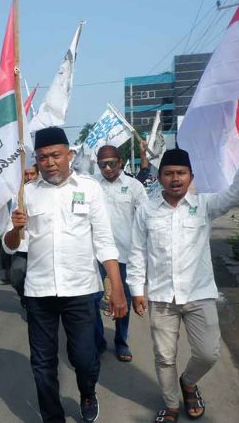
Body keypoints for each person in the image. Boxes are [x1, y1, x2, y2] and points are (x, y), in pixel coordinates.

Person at [128, 131, 239, 423]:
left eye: (181, 173)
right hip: (162, 297)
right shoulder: (147, 210)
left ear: (190, 176)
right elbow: (136, 251)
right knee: (164, 357)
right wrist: (137, 290)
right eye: (169, 173)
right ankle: (172, 404)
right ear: (160, 177)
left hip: (199, 294)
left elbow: (235, 193)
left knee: (209, 353)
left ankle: (188, 381)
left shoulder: (204, 206)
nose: (176, 178)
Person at [4, 127, 127, 423]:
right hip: (39, 292)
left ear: (69, 155)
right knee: (43, 364)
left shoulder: (89, 189)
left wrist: (118, 287)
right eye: (43, 157)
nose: (50, 162)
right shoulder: (25, 195)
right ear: (36, 159)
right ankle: (52, 416)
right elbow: (11, 247)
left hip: (81, 289)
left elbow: (104, 240)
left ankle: (87, 391)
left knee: (84, 358)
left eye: (56, 155)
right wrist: (16, 228)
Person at [93, 145, 148, 362]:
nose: (107, 168)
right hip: (95, 253)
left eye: (111, 163)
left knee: (122, 299)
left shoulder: (134, 187)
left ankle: (121, 341)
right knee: (92, 298)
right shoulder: (92, 186)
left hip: (124, 254)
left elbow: (145, 217)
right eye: (102, 164)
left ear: (121, 162)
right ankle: (98, 340)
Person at [1, 164, 38, 307]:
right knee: (16, 276)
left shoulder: (46, 193)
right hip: (22, 245)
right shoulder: (16, 195)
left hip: (40, 246)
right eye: (26, 174)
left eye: (32, 174)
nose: (29, 177)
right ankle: (26, 298)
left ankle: (35, 306)